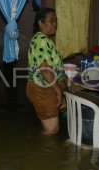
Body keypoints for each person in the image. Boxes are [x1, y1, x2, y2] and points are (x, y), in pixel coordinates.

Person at [26, 7, 71, 136]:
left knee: (67, 105)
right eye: (51, 20)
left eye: (56, 20)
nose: (55, 24)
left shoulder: (46, 40)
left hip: (48, 85)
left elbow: (55, 66)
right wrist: (59, 92)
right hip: (41, 89)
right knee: (52, 130)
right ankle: (40, 152)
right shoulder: (41, 41)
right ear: (41, 23)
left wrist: (66, 81)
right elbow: (45, 71)